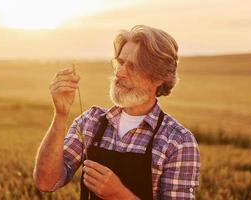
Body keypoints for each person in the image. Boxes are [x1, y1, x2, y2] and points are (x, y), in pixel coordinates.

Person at [33, 25, 200, 200]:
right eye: (120, 63)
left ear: (158, 78)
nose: (120, 73)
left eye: (133, 67)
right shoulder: (90, 122)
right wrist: (60, 115)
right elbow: (46, 182)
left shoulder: (178, 141)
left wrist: (119, 195)